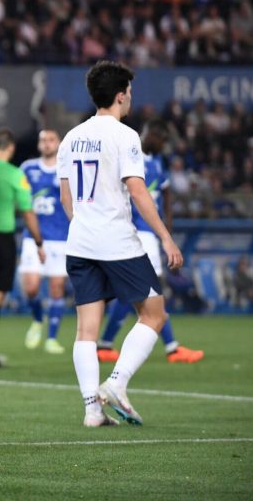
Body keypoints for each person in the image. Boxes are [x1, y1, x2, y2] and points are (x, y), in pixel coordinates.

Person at [59, 60, 184, 428]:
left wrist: (83, 226)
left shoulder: (71, 137)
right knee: (155, 313)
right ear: (119, 95)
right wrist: (164, 236)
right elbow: (138, 190)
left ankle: (92, 411)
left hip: (79, 242)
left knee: (86, 328)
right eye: (129, 92)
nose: (131, 98)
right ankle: (116, 383)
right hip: (116, 241)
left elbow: (67, 197)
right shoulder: (125, 135)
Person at [97, 119, 204, 364]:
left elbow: (164, 194)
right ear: (149, 134)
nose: (162, 144)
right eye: (160, 139)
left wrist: (166, 229)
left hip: (149, 234)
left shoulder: (156, 162)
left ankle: (105, 344)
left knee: (140, 293)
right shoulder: (132, 156)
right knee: (149, 291)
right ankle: (171, 348)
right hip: (136, 232)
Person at [0, 128, 45, 367]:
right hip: (2, 238)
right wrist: (39, 242)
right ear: (11, 148)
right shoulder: (16, 174)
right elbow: (27, 212)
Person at [19, 129, 71, 355]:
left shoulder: (66, 168)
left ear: (58, 143)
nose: (47, 144)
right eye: (43, 140)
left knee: (56, 289)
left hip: (60, 237)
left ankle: (51, 337)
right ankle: (38, 319)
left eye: (51, 140)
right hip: (34, 237)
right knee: (30, 288)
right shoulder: (28, 168)